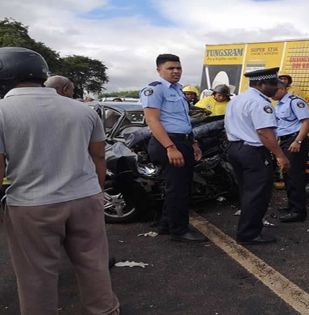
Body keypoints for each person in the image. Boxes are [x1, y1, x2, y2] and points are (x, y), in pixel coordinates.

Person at [0, 47, 120, 314]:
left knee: (36, 273)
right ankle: (105, 310)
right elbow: (99, 157)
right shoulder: (83, 110)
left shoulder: (2, 111)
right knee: (93, 263)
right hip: (85, 197)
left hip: (32, 204)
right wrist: (96, 194)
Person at [140, 53, 207, 242]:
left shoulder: (178, 90)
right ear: (159, 70)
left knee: (176, 187)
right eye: (170, 68)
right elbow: (152, 120)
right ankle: (179, 231)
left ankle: (166, 224)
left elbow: (184, 121)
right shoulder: (154, 90)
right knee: (178, 189)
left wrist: (193, 143)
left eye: (178, 68)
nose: (176, 71)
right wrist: (170, 147)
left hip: (183, 141)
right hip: (169, 142)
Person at [225, 67, 290, 245]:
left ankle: (247, 229)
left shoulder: (238, 99)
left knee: (247, 191)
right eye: (272, 84)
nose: (276, 87)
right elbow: (264, 133)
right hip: (253, 151)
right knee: (258, 194)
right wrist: (280, 155)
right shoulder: (260, 103)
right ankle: (249, 234)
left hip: (235, 148)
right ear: (261, 84)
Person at [271, 81, 309, 222]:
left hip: (295, 140)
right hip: (285, 140)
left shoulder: (295, 102)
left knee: (295, 176)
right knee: (288, 175)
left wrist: (298, 141)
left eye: (274, 91)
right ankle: (292, 206)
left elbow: (307, 121)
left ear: (282, 89)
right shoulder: (279, 105)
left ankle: (298, 212)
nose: (271, 94)